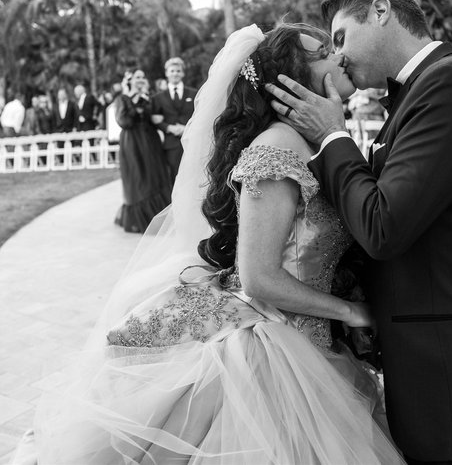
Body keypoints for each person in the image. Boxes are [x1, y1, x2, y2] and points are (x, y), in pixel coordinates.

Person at [28, 24, 404, 464]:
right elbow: (260, 277)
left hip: (312, 342)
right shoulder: (278, 147)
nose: (339, 56)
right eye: (324, 51)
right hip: (273, 348)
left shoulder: (314, 141)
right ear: (291, 81)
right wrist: (351, 311)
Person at [267, 0, 452, 465]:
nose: (337, 59)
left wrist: (332, 137)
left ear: (381, 11)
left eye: (340, 37)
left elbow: (384, 225)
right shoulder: (416, 94)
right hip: (438, 363)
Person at [112, 70, 172, 233]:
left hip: (150, 141)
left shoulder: (148, 98)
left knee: (155, 174)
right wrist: (136, 103)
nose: (141, 80)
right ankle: (140, 219)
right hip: (132, 143)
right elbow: (124, 121)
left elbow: (155, 118)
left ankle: (158, 217)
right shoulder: (122, 99)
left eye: (143, 77)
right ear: (130, 81)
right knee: (138, 177)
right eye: (137, 77)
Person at [150, 56, 197, 185]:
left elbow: (199, 115)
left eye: (178, 70)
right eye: (172, 71)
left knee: (193, 176)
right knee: (174, 179)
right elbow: (155, 120)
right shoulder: (158, 98)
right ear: (166, 73)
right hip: (171, 145)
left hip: (192, 142)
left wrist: (187, 128)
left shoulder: (194, 94)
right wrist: (168, 128)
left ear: (182, 73)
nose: (175, 73)